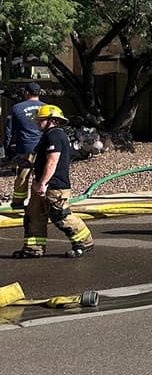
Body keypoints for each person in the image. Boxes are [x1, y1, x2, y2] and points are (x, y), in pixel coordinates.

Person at [11, 105, 94, 258]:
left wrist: (43, 183)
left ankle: (84, 242)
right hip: (42, 184)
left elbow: (52, 162)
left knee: (60, 215)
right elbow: (42, 160)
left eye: (41, 120)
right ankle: (33, 248)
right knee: (34, 215)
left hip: (53, 186)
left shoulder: (55, 135)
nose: (37, 122)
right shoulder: (48, 135)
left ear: (52, 120)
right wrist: (28, 164)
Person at [4, 82, 45, 211]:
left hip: (24, 148)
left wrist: (7, 149)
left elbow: (8, 131)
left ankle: (18, 203)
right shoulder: (46, 108)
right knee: (41, 176)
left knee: (22, 176)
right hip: (43, 149)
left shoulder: (17, 108)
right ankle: (39, 203)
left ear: (26, 93)